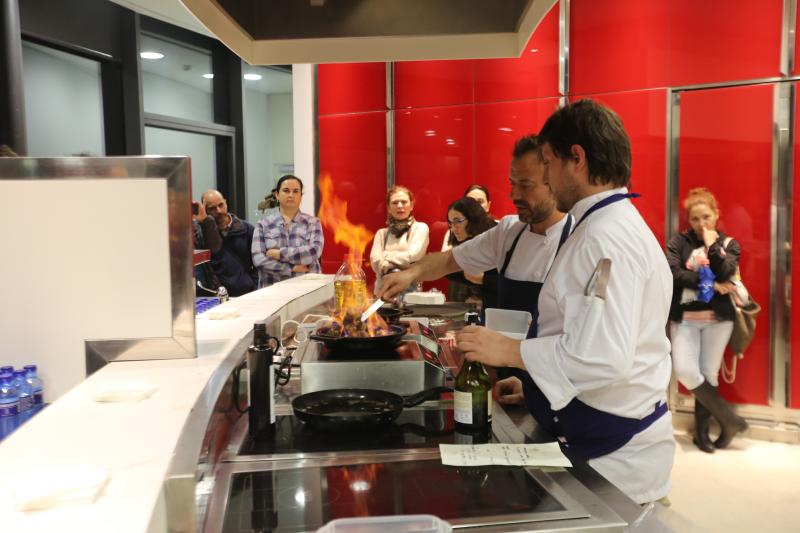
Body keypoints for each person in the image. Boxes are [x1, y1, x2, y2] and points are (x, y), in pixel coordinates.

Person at [452, 100, 675, 505]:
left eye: (550, 163)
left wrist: (510, 350)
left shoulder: (603, 237)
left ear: (577, 158)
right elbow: (588, 334)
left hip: (616, 457)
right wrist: (537, 384)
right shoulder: (605, 224)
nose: (548, 179)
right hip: (595, 430)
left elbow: (602, 357)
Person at [378, 133, 571, 379]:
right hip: (507, 375)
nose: (514, 195)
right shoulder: (509, 231)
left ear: (554, 182)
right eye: (512, 184)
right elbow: (449, 260)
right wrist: (410, 273)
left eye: (526, 185)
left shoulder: (577, 239)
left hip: (555, 379)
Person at [667, 187, 748, 452]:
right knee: (686, 372)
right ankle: (729, 419)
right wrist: (711, 284)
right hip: (685, 317)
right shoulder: (678, 243)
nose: (701, 223)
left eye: (706, 217)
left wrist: (712, 245)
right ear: (688, 220)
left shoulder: (729, 244)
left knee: (708, 374)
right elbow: (674, 273)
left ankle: (701, 434)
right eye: (695, 219)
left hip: (719, 319)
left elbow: (726, 272)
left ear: (716, 215)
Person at [252, 174, 323, 287]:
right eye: (286, 190)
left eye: (296, 191)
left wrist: (280, 253)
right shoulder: (263, 225)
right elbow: (258, 259)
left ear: (301, 196)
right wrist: (290, 268)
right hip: (272, 290)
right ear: (277, 195)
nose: (291, 195)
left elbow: (313, 252)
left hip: (307, 289)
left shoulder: (313, 223)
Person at [194, 189, 258, 297]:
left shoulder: (246, 229)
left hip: (246, 292)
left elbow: (257, 263)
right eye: (212, 208)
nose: (218, 211)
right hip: (216, 294)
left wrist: (254, 286)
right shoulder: (201, 233)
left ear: (226, 203)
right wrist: (205, 223)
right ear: (205, 210)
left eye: (221, 205)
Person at [369, 185, 429, 292]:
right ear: (388, 208)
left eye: (404, 202)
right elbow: (375, 262)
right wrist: (399, 262)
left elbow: (413, 256)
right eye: (395, 203)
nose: (400, 206)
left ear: (411, 206)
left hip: (411, 292)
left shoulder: (420, 228)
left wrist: (387, 259)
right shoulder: (381, 233)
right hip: (382, 292)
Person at [443, 196, 498, 308]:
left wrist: (484, 279)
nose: (453, 228)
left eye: (458, 221)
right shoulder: (467, 239)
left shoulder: (496, 237)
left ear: (473, 217)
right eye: (451, 223)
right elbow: (459, 272)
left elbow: (514, 283)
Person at [441, 184, 493, 252]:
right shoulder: (454, 230)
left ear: (488, 206)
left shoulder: (500, 228)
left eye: (480, 202)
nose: (475, 207)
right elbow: (445, 259)